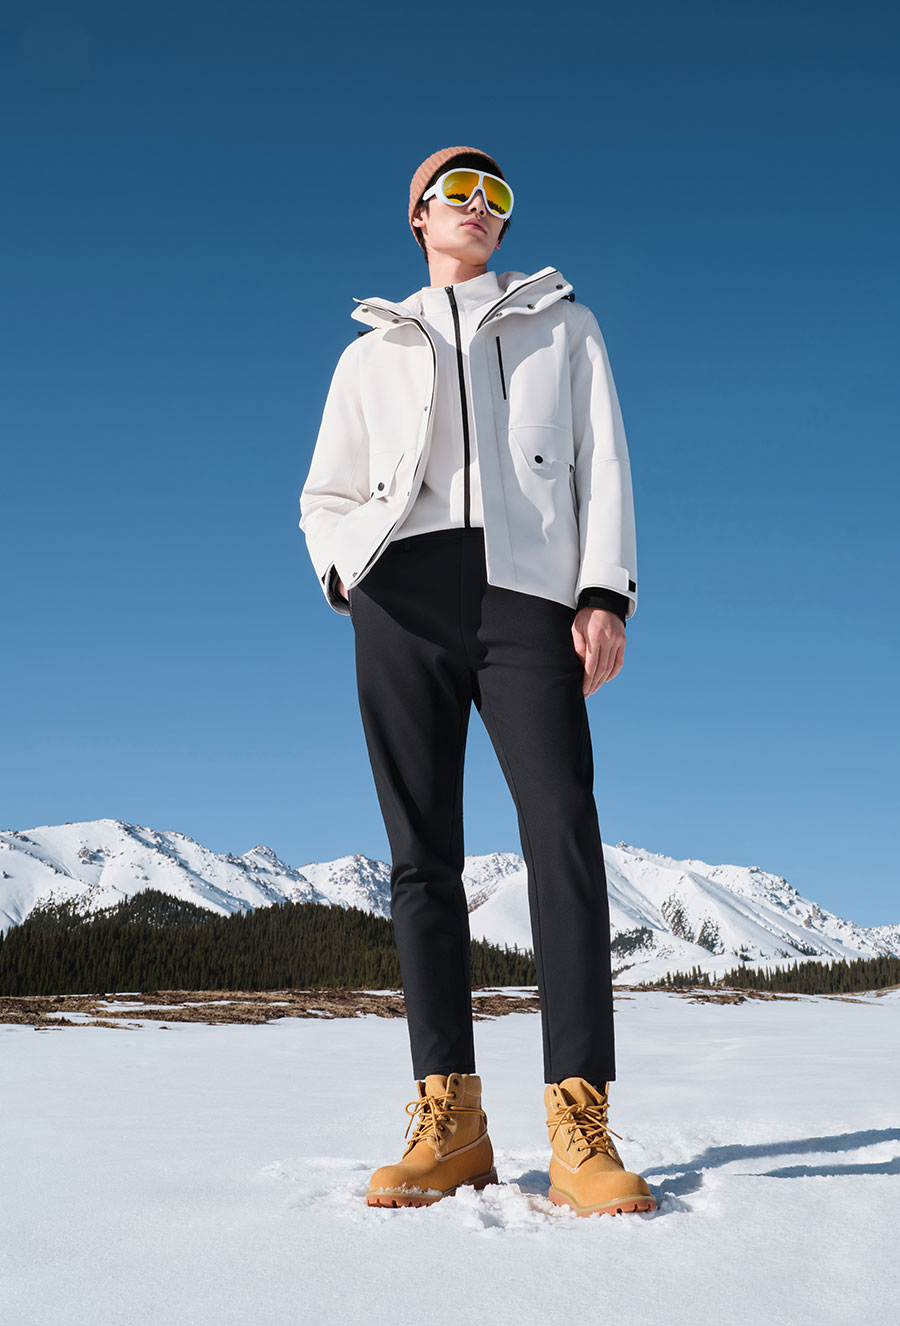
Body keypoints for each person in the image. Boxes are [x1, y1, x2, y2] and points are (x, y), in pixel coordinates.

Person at [299, 145, 655, 1217]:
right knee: (422, 858)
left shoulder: (563, 327)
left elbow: (605, 461)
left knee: (563, 833)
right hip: (400, 597)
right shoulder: (369, 353)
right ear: (417, 215)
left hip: (527, 598)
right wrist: (349, 576)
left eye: (497, 193)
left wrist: (605, 592)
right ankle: (449, 1120)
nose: (480, 205)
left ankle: (580, 1124)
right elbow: (324, 493)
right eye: (457, 190)